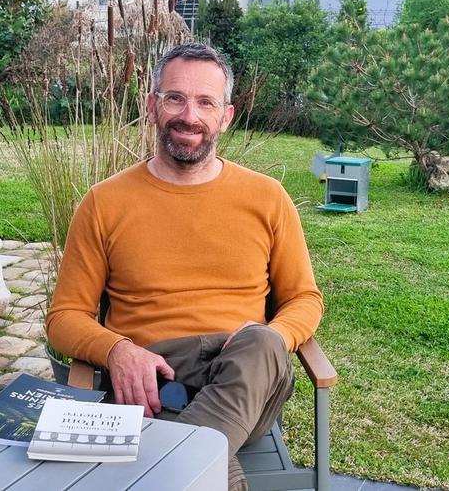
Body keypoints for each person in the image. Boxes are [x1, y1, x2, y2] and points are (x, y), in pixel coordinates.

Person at [46, 42, 323, 490]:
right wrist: (118, 351)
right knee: (209, 466)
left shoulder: (268, 198)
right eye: (174, 98)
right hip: (153, 385)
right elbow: (64, 317)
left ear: (226, 116)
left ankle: (175, 462)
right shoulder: (105, 203)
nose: (189, 115)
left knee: (262, 341)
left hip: (244, 375)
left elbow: (304, 299)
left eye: (205, 102)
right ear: (152, 106)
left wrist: (278, 334)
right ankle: (190, 465)